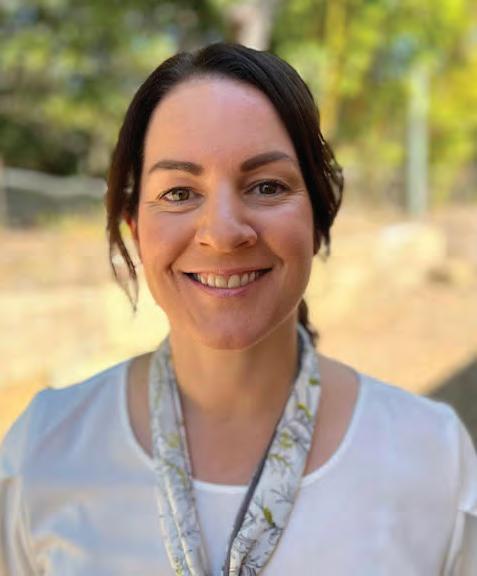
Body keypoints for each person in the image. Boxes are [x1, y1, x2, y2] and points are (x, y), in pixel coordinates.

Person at [1, 42, 476, 576]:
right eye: (179, 193)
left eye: (267, 186)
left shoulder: (433, 458)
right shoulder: (45, 453)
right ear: (135, 228)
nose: (224, 233)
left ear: (317, 217)